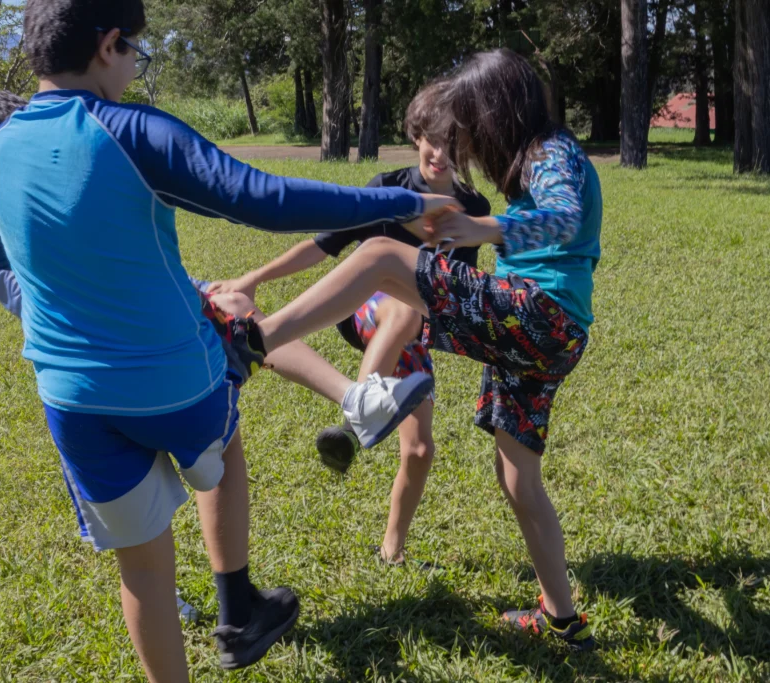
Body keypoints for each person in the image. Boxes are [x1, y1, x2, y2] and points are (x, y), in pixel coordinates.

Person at [0, 0, 456, 678]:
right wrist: (404, 203)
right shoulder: (131, 130)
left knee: (143, 569)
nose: (134, 68)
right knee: (221, 443)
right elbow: (263, 198)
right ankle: (238, 608)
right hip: (177, 384)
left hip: (71, 400)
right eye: (135, 51)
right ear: (108, 45)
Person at [0, 87, 406, 619]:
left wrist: (198, 290)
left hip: (131, 342)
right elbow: (16, 278)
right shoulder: (5, 187)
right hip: (93, 357)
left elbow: (124, 256)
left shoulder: (52, 161)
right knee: (152, 494)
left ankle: (351, 397)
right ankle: (172, 590)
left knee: (234, 320)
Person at [227, 49, 601, 651]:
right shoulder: (537, 157)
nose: (467, 137)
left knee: (380, 257)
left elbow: (565, 219)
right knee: (517, 477)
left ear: (499, 107)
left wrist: (484, 229)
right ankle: (563, 620)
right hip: (550, 333)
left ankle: (252, 342)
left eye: (473, 118)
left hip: (536, 313)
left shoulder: (549, 151)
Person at [208, 80, 491, 567]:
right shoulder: (386, 189)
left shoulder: (474, 209)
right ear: (416, 136)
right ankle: (356, 410)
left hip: (415, 328)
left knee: (420, 451)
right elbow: (321, 246)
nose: (440, 153)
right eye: (432, 139)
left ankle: (392, 553)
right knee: (402, 307)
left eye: (453, 142)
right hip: (367, 309)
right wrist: (253, 277)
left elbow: (455, 292)